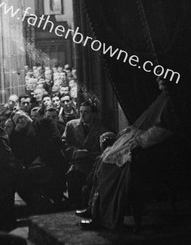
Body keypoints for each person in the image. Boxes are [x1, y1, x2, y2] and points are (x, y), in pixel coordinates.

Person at [80, 78, 178, 230]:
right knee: (102, 159)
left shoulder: (172, 101)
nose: (158, 79)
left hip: (151, 154)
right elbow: (149, 123)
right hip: (144, 145)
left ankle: (103, 214)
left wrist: (139, 139)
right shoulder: (163, 97)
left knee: (108, 165)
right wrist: (133, 130)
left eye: (161, 77)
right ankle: (94, 209)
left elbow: (164, 130)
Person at [61, 100, 107, 209]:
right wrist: (75, 152)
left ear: (94, 114)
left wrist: (88, 154)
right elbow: (64, 143)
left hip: (93, 162)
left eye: (86, 112)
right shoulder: (71, 125)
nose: (82, 114)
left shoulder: (102, 129)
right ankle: (75, 204)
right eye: (81, 111)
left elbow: (105, 149)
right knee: (74, 173)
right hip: (77, 161)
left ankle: (90, 206)